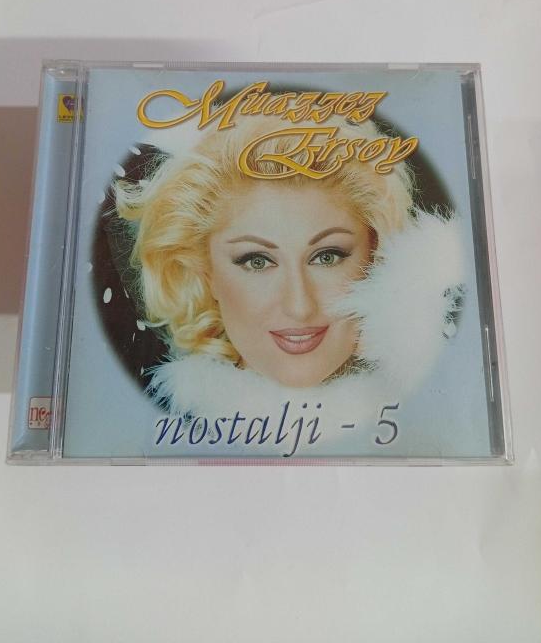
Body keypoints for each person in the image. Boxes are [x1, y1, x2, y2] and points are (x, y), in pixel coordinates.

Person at [114, 114, 464, 447]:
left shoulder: (441, 413)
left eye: (327, 257)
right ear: (206, 274)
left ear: (377, 256)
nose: (299, 306)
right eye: (257, 261)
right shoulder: (143, 432)